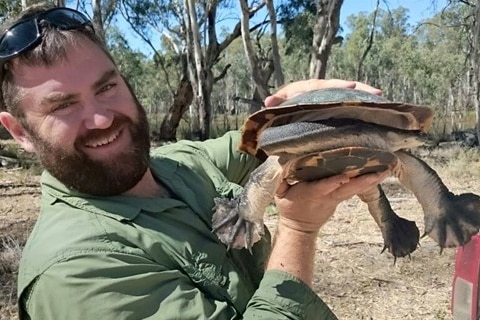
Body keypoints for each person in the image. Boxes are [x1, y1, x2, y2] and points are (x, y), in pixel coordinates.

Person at [0, 4, 387, 320]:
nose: (101, 118)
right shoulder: (75, 273)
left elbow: (256, 145)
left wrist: (292, 110)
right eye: (63, 106)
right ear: (19, 132)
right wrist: (299, 230)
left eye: (106, 87)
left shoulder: (176, 165)